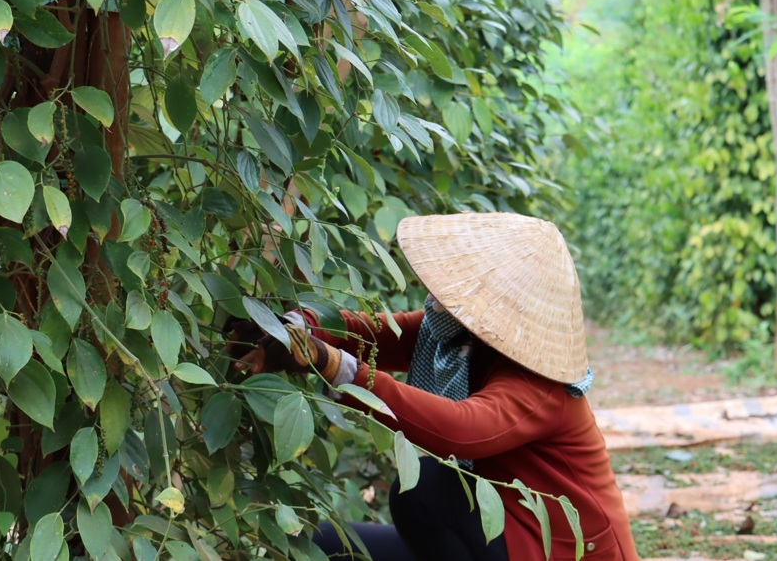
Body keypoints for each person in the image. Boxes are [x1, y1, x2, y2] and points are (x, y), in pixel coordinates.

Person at [228, 213, 639, 560]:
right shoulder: (463, 336)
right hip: (503, 537)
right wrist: (294, 326)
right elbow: (371, 334)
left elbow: (461, 430)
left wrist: (337, 366)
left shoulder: (538, 383)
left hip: (564, 550)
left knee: (423, 489)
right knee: (323, 546)